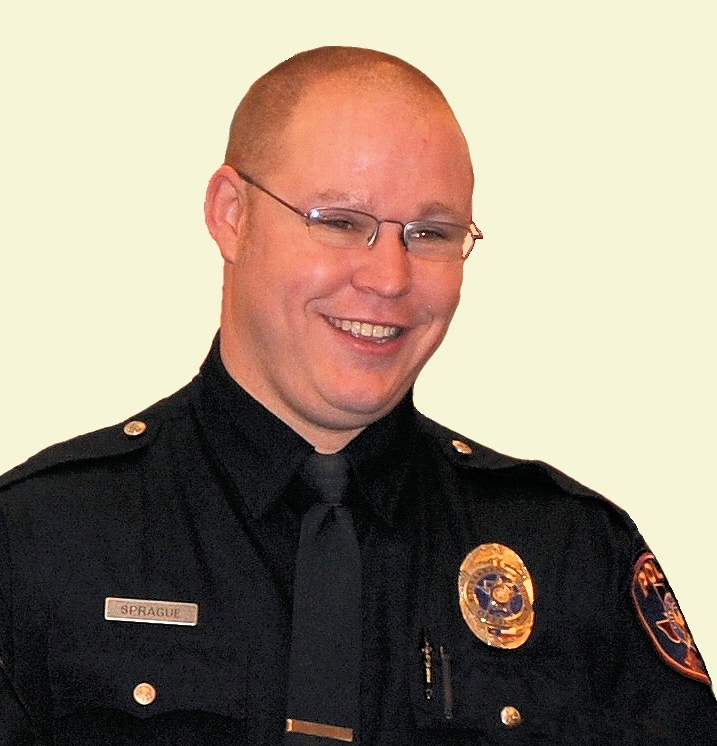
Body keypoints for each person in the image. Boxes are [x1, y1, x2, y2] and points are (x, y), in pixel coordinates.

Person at [0, 46, 714, 745]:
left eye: (431, 234)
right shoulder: (37, 541)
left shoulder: (571, 554)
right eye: (341, 223)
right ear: (231, 214)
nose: (389, 278)